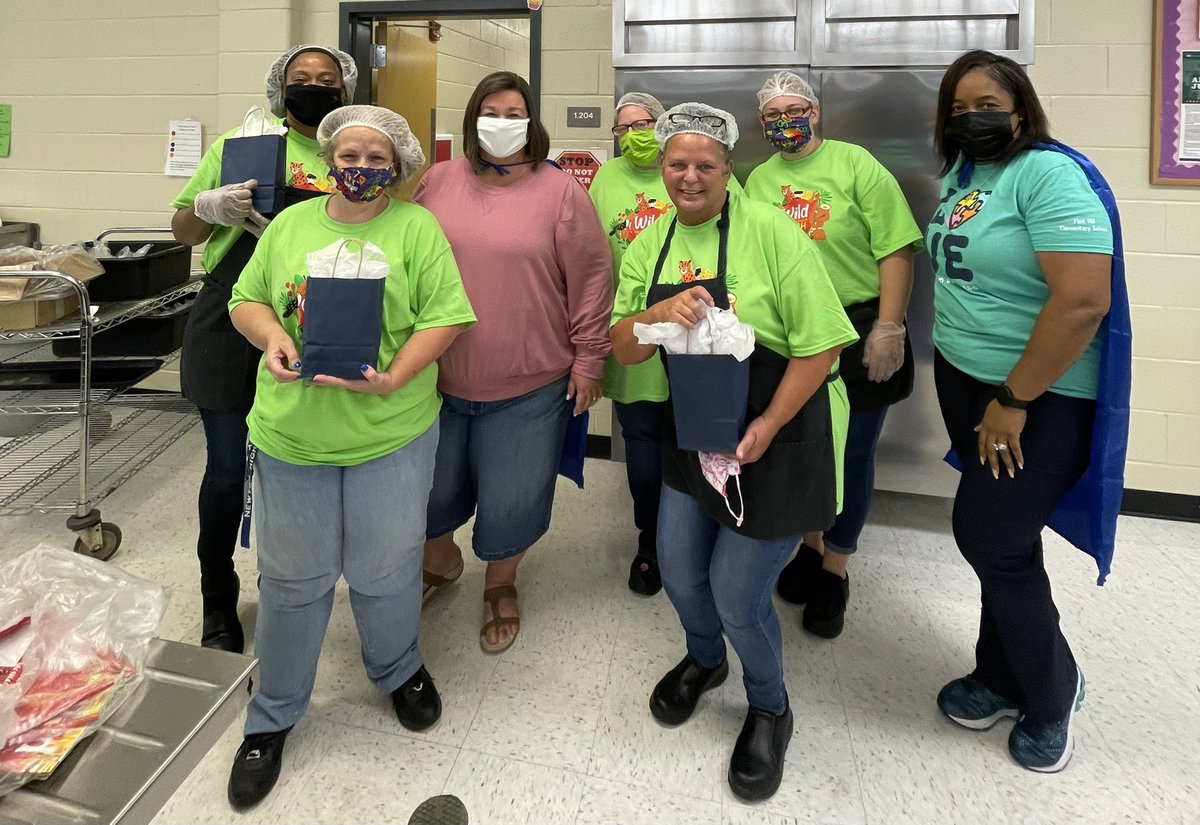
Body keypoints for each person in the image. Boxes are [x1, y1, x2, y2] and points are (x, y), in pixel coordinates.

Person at [224, 105, 476, 810]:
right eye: (351, 155)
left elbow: (447, 316)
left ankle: (398, 668)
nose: (362, 167)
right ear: (330, 158)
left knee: (387, 567)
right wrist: (272, 337)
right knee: (293, 578)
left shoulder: (417, 230)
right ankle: (273, 713)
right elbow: (247, 301)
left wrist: (398, 375)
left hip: (389, 435)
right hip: (293, 435)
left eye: (377, 159)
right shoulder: (291, 226)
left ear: (396, 168)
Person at [610, 102, 857, 801]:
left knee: (737, 592)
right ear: (661, 168)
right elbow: (622, 344)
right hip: (696, 429)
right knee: (682, 569)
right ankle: (703, 658)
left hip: (779, 431)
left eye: (705, 165)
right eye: (677, 163)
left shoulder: (772, 232)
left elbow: (823, 344)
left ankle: (770, 705)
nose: (690, 176)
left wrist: (771, 423)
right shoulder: (649, 242)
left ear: (728, 170)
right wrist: (655, 315)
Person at [926, 50, 1122, 773]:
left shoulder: (1049, 172)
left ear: (1020, 108)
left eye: (986, 104)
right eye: (958, 108)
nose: (971, 117)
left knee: (989, 534)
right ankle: (999, 674)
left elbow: (1082, 301)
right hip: (967, 381)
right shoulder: (967, 175)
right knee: (1003, 541)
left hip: (1036, 394)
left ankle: (1051, 691)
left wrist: (1013, 399)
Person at [413, 71, 613, 653]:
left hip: (530, 382)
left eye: (514, 112)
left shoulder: (560, 192)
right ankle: (440, 559)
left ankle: (500, 582)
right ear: (473, 118)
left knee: (513, 494)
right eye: (491, 111)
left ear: (532, 121)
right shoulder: (438, 180)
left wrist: (589, 360)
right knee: (433, 486)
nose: (502, 123)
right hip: (435, 377)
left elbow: (592, 281)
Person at [170, 44, 356, 653]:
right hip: (229, 320)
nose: (313, 87)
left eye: (326, 80)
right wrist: (209, 205)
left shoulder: (347, 155)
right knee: (226, 471)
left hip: (311, 320)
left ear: (344, 90)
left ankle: (297, 591)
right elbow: (183, 230)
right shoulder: (240, 144)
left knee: (302, 467)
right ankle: (217, 601)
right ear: (281, 86)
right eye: (301, 79)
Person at [744, 71, 924, 639]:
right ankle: (810, 544)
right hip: (793, 334)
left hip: (858, 324)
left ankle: (836, 569)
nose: (783, 122)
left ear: (815, 112)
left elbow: (895, 248)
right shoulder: (759, 180)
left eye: (793, 110)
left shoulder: (856, 165)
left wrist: (890, 326)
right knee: (806, 445)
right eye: (772, 115)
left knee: (854, 451)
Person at [590, 91, 744, 596]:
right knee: (645, 456)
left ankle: (712, 546)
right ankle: (652, 543)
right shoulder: (622, 204)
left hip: (708, 365)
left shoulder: (748, 217)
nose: (689, 176)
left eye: (644, 122)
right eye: (624, 126)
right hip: (636, 338)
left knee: (706, 452)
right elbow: (592, 258)